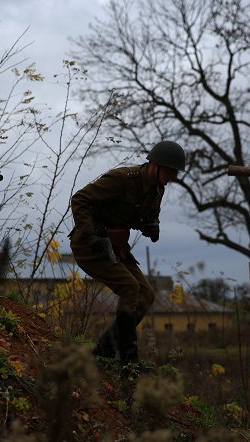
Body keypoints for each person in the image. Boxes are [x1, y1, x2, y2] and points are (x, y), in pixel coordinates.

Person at [69, 141, 186, 373]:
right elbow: (80, 199)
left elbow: (150, 215)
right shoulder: (123, 178)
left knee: (146, 295)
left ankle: (102, 352)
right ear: (155, 165)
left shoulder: (157, 190)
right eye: (171, 170)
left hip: (117, 248)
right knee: (130, 288)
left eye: (175, 172)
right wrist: (90, 233)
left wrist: (152, 226)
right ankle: (128, 361)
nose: (173, 176)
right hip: (90, 245)